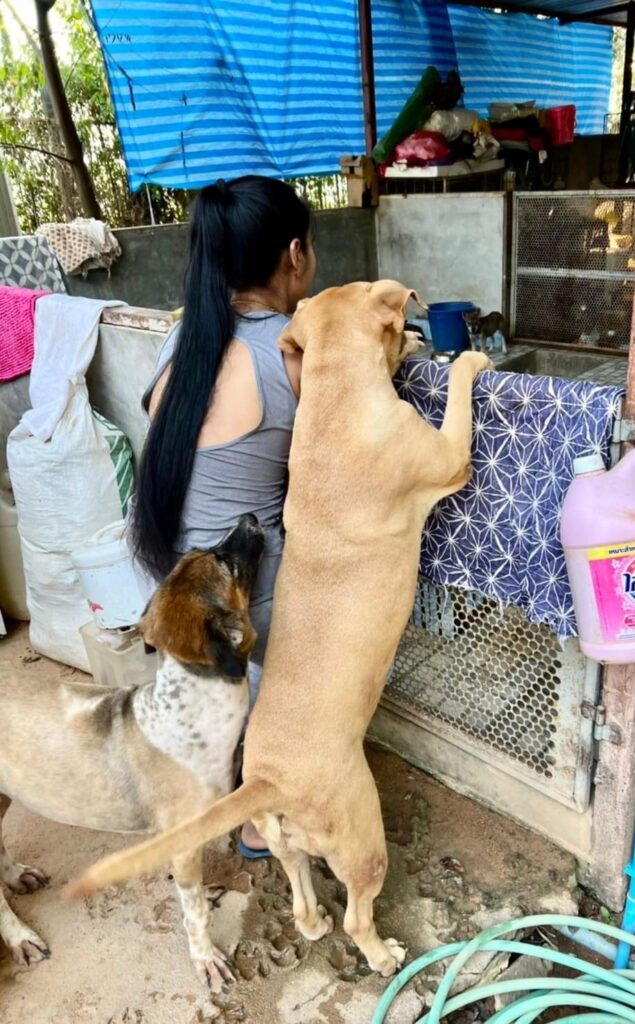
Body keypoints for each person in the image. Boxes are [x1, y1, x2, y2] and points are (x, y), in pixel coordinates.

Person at [133, 175, 316, 856]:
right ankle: (255, 820)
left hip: (170, 581)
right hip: (245, 597)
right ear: (294, 254)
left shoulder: (182, 338)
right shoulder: (293, 350)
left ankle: (211, 780)